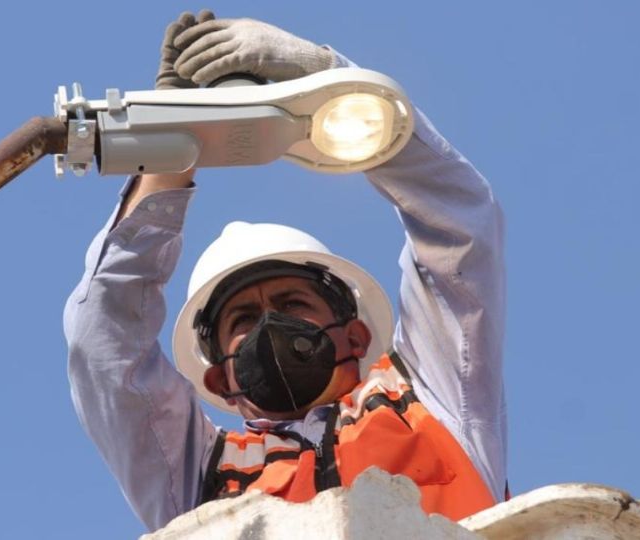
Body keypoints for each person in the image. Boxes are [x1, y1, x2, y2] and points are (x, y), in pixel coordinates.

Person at [64, 11, 506, 532]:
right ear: (220, 377)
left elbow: (459, 223)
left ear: (356, 335)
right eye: (244, 318)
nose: (270, 323)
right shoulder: (203, 480)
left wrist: (323, 76)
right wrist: (168, 144)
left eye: (294, 304)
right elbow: (103, 343)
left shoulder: (432, 401)